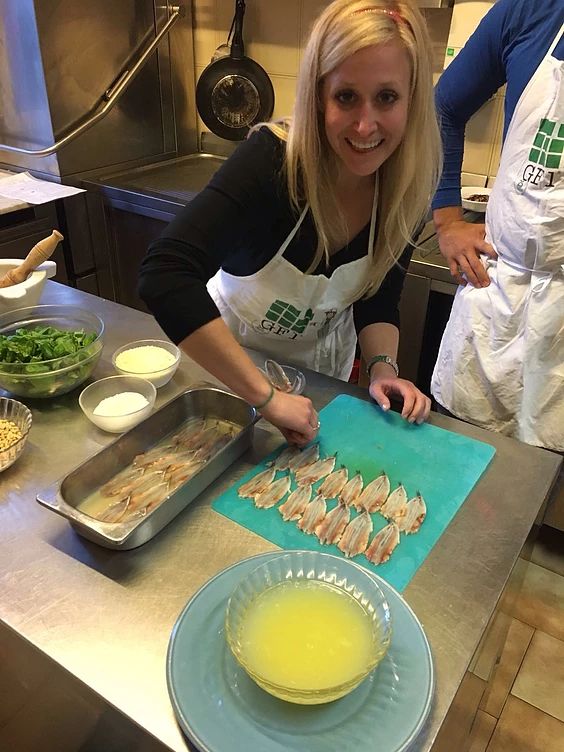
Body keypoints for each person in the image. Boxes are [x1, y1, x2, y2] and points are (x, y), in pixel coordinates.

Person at [139, 0, 441, 446]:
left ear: (411, 100)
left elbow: (379, 299)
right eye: (345, 96)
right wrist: (266, 398)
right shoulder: (272, 162)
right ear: (318, 96)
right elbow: (164, 274)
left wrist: (382, 370)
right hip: (227, 372)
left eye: (387, 97)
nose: (365, 125)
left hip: (319, 383)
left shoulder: (407, 190)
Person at [431, 0, 564, 453]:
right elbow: (443, 106)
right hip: (498, 295)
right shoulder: (531, 11)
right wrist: (447, 217)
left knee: (545, 494)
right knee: (458, 462)